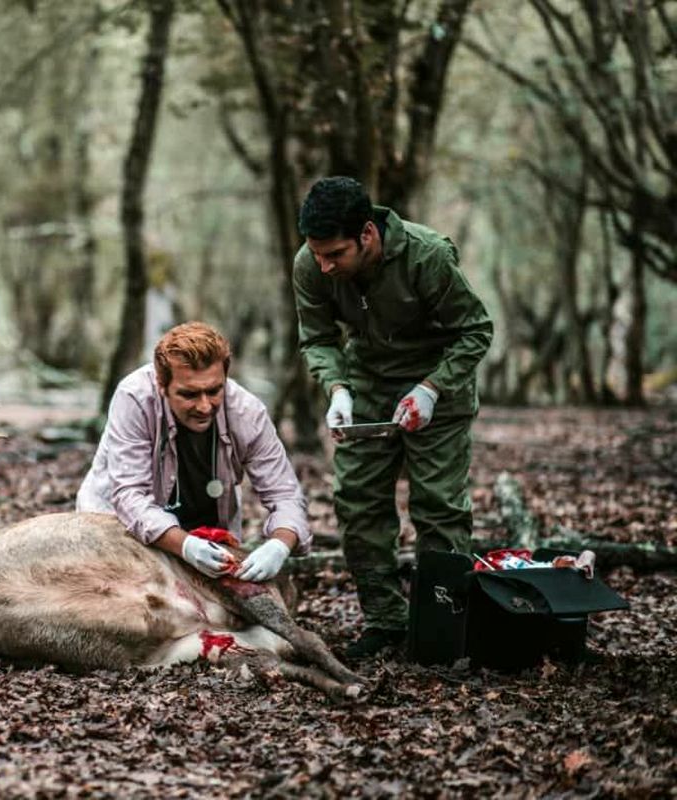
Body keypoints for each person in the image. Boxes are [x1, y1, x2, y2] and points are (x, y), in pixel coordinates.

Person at [292, 176, 493, 658]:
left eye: (335, 254)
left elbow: (476, 330)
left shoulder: (427, 256)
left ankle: (441, 625)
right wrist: (337, 388)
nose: (324, 265)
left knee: (438, 505)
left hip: (437, 383)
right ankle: (385, 621)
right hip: (366, 384)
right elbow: (318, 338)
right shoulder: (311, 264)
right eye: (317, 253)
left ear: (366, 234)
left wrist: (431, 389)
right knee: (357, 500)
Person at [77, 322, 310, 581]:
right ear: (162, 385)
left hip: (207, 535)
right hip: (120, 526)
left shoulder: (247, 412)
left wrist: (279, 545)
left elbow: (285, 494)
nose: (204, 406)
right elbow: (130, 495)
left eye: (214, 391)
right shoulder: (134, 398)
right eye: (189, 394)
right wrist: (185, 545)